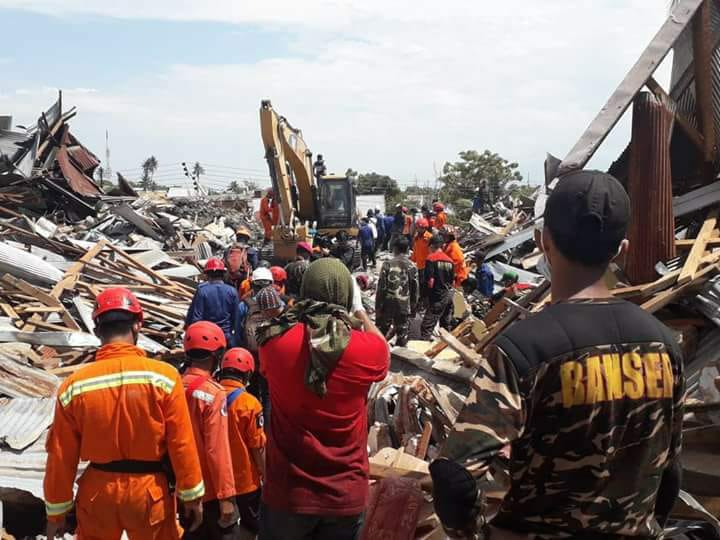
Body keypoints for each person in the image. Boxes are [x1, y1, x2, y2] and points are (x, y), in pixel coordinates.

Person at [430, 170, 685, 539]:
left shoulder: (523, 350)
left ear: (542, 241)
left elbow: (454, 477)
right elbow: (670, 470)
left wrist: (474, 533)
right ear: (621, 250)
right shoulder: (664, 344)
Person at [44, 288, 205, 539]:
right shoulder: (163, 377)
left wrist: (56, 512)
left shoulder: (74, 385)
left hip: (97, 494)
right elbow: (181, 443)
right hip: (150, 494)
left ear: (97, 330)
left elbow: (61, 455)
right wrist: (192, 496)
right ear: (138, 324)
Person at [256, 258, 389, 539]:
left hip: (288, 492)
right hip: (345, 493)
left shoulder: (273, 343)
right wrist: (361, 313)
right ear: (345, 295)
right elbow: (384, 352)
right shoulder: (366, 350)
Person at [182, 322, 239, 540]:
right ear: (217, 355)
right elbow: (217, 449)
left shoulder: (173, 386)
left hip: (182, 488)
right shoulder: (213, 393)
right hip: (209, 492)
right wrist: (227, 497)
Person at [218, 348, 266, 536]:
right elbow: (257, 446)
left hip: (217, 480)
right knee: (251, 525)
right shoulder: (250, 404)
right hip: (246, 480)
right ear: (247, 374)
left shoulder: (210, 396)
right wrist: (265, 473)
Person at [185, 258, 240, 347]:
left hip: (207, 337)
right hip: (226, 336)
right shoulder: (232, 291)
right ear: (223, 274)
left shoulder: (202, 291)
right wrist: (235, 339)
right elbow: (236, 318)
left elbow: (196, 317)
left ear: (207, 275)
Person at [375, 236, 419, 347]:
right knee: (402, 335)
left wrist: (378, 308)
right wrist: (413, 308)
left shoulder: (387, 264)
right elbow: (415, 290)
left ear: (395, 248)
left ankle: (377, 355)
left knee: (379, 333)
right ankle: (399, 358)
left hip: (387, 305)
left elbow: (381, 289)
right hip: (404, 306)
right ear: (407, 249)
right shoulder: (412, 266)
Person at [420, 235, 456, 339]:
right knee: (445, 326)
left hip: (437, 297)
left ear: (431, 245)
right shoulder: (450, 261)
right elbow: (452, 282)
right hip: (448, 296)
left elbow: (430, 282)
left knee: (426, 327)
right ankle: (446, 348)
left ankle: (422, 351)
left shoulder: (431, 259)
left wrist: (424, 297)